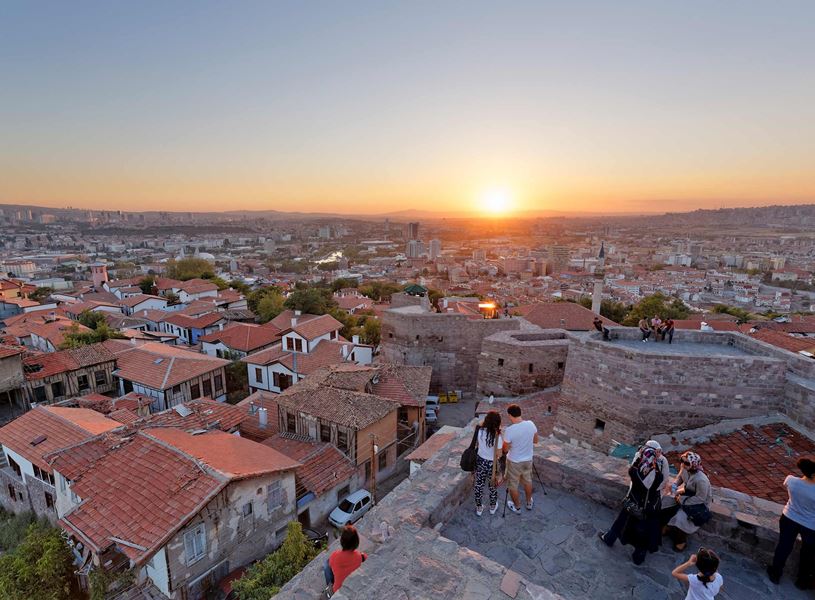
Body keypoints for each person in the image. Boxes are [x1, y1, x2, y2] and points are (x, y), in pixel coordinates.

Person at [599, 446, 664, 564]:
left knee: (620, 523)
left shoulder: (636, 471)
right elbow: (657, 481)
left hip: (633, 504)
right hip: (649, 508)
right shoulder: (658, 475)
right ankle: (638, 556)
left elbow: (633, 470)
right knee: (643, 532)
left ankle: (609, 538)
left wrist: (639, 457)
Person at [767, 457, 815, 588]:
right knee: (807, 553)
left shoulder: (791, 481)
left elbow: (786, 484)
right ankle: (802, 580)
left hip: (789, 517)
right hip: (810, 525)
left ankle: (775, 574)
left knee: (784, 546)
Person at [661, 451, 712, 552]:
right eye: (682, 461)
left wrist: (682, 500)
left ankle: (681, 541)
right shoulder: (684, 468)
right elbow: (680, 477)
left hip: (697, 503)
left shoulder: (701, 480)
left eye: (687, 463)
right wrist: (675, 485)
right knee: (664, 502)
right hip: (686, 493)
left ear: (693, 464)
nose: (683, 464)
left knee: (681, 518)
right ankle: (667, 526)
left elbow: (700, 498)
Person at [502, 404, 539, 513]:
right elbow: (536, 440)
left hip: (514, 461)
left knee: (513, 485)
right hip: (528, 459)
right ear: (520, 413)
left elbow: (505, 449)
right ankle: (528, 502)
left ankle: (517, 507)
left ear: (510, 415)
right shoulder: (531, 424)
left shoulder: (510, 430)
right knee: (527, 481)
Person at [474, 410, 503, 516]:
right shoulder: (497, 437)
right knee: (492, 485)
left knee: (479, 484)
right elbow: (499, 454)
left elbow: (479, 423)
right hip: (492, 464)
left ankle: (479, 508)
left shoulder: (480, 431)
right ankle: (492, 506)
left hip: (480, 461)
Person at [327, 525, 368, 594]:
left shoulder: (335, 555)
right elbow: (366, 558)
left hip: (337, 589)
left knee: (326, 565)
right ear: (356, 542)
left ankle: (330, 583)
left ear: (341, 541)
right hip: (352, 587)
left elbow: (330, 565)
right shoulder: (361, 556)